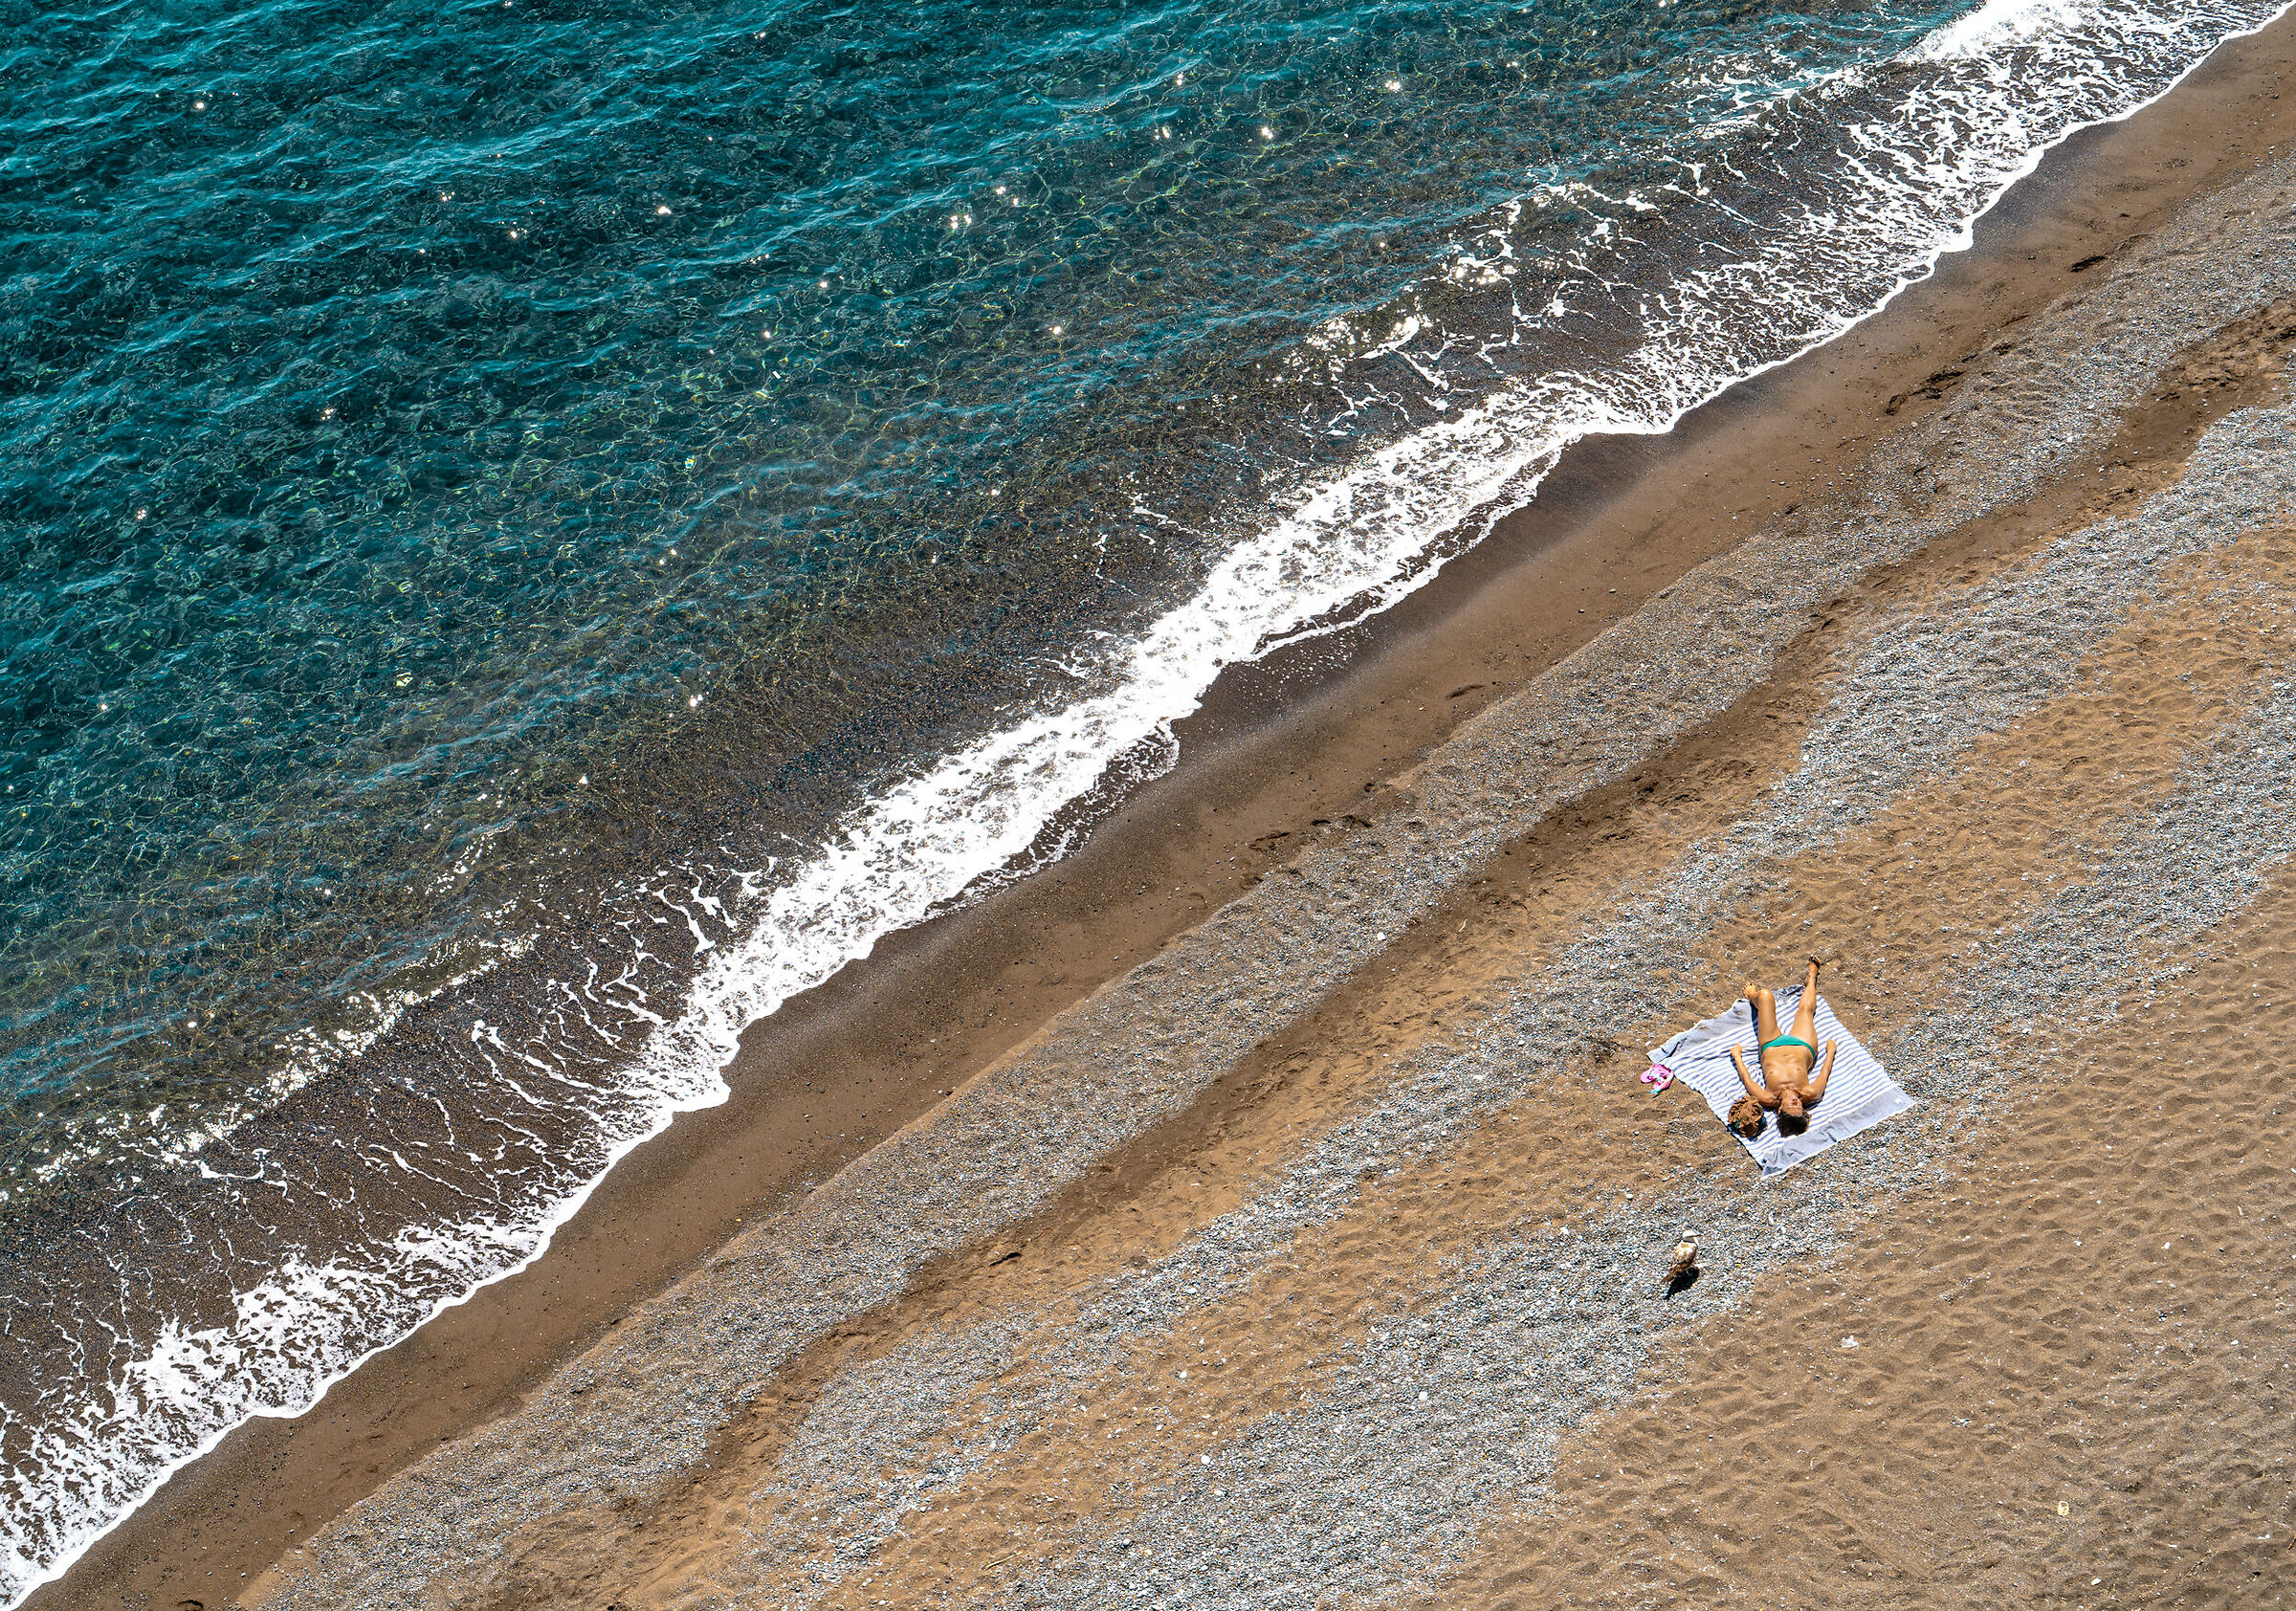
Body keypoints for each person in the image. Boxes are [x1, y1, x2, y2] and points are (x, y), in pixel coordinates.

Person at [1727, 957, 1837, 1137]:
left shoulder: (1768, 1098)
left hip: (1771, 1043)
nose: (1796, 1103)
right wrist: (1830, 1052)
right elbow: (1824, 1073)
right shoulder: (1811, 1093)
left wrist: (1737, 1056)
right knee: (1805, 1011)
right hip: (1803, 1045)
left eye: (1791, 1107)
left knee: (1765, 996)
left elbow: (1747, 1080)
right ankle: (1812, 976)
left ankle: (1753, 997)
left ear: (1780, 1111)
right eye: (1799, 1107)